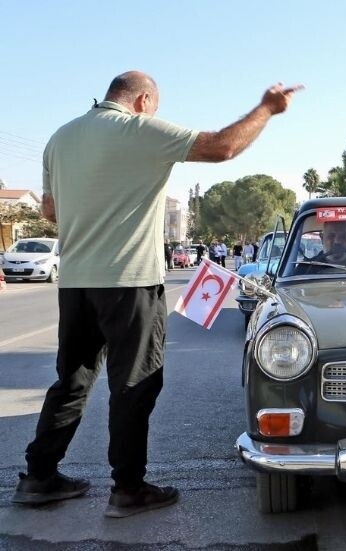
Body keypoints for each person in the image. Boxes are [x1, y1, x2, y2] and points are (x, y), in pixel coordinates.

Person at [13, 71, 301, 518]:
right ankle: (128, 489)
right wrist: (267, 109)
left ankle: (38, 477)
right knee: (134, 384)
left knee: (71, 380)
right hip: (129, 282)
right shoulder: (139, 129)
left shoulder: (60, 137)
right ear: (144, 101)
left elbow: (51, 210)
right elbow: (222, 147)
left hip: (75, 282)